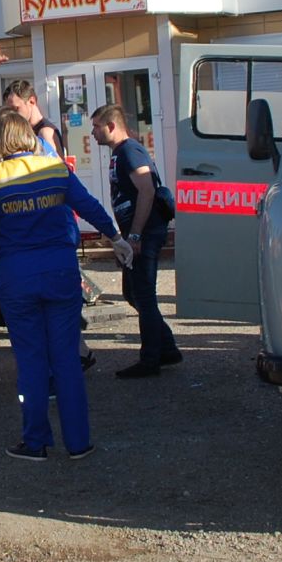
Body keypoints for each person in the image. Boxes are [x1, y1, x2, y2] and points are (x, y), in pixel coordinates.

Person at [0, 111, 130, 460]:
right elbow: (87, 205)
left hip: (16, 277)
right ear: (27, 135)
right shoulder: (55, 168)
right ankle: (78, 442)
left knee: (31, 361)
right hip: (61, 273)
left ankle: (36, 441)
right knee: (67, 360)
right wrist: (116, 236)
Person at [3, 80, 101, 364]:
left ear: (31, 101)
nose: (14, 114)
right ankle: (78, 352)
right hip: (52, 219)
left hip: (55, 218)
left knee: (61, 295)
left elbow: (57, 174)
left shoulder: (44, 131)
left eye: (16, 108)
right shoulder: (30, 131)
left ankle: (77, 352)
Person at [91, 104, 181, 377]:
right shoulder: (120, 154)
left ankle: (151, 359)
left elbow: (147, 191)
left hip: (145, 232)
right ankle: (167, 348)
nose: (93, 133)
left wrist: (135, 235)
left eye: (96, 127)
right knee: (133, 293)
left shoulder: (129, 151)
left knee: (143, 294)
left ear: (111, 126)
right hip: (135, 234)